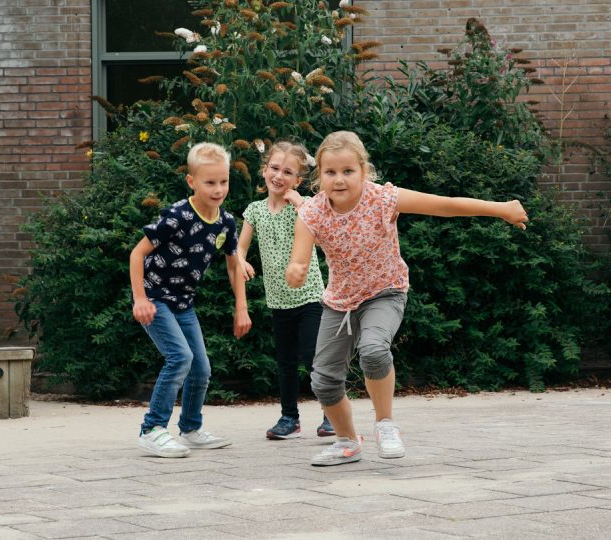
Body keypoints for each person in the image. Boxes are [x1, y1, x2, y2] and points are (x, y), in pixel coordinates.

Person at [285, 131, 528, 466]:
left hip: (385, 292)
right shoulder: (312, 212)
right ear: (319, 176)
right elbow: (298, 259)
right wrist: (295, 271)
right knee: (323, 379)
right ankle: (346, 442)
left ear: (364, 171)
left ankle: (385, 425)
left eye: (347, 171)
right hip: (339, 302)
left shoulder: (383, 199)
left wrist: (501, 209)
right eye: (330, 172)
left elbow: (444, 205)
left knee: (373, 349)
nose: (339, 180)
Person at [131, 142, 252, 458]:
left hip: (184, 303)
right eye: (210, 182)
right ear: (192, 182)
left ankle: (190, 428)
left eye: (223, 181)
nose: (218, 189)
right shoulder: (177, 215)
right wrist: (140, 298)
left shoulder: (225, 222)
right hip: (156, 298)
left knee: (201, 369)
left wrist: (242, 307)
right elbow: (137, 253)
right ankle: (152, 429)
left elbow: (233, 264)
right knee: (180, 357)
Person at [236, 140, 335, 440]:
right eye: (275, 168)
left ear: (297, 180)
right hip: (278, 300)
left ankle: (331, 415)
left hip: (309, 298)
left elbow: (321, 236)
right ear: (264, 170)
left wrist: (299, 202)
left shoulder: (302, 207)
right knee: (285, 362)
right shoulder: (254, 210)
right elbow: (238, 248)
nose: (279, 176)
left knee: (314, 358)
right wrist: (240, 261)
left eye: (288, 172)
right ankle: (289, 418)